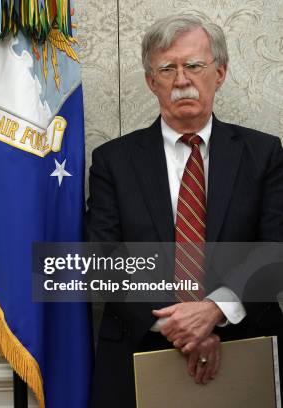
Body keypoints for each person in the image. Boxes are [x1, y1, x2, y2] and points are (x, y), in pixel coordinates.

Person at [86, 15, 283, 407]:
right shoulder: (113, 161)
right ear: (150, 81)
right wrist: (182, 325)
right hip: (137, 352)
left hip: (247, 352)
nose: (181, 80)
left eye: (194, 65)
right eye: (167, 68)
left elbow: (275, 250)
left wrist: (214, 311)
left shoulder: (264, 154)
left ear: (220, 72)